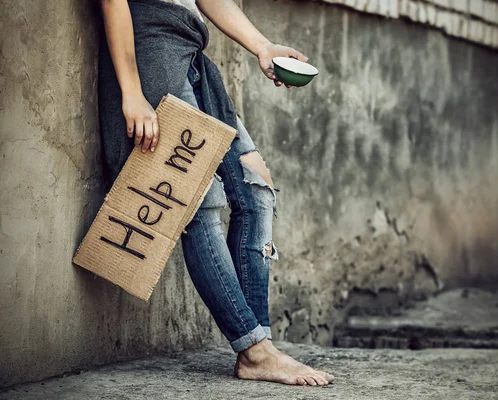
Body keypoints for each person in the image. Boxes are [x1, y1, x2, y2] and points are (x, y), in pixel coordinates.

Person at [98, 0, 334, 387]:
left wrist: (262, 46)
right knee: (197, 201)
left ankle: (262, 347)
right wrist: (131, 91)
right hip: (150, 53)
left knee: (256, 189)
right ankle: (254, 351)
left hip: (191, 53)